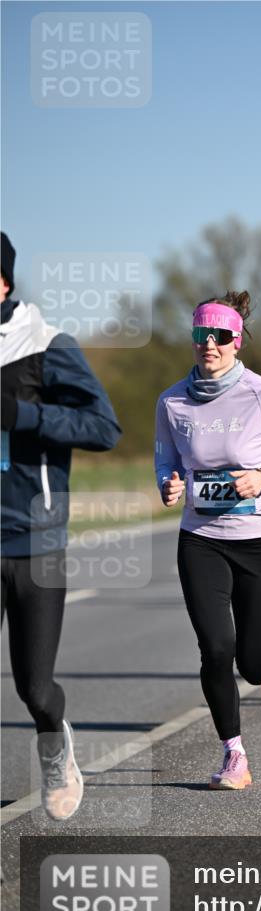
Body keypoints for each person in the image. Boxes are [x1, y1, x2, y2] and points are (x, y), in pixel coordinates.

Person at [155, 292, 261, 790]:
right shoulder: (171, 401)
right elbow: (166, 461)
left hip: (259, 538)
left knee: (251, 665)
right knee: (215, 648)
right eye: (201, 334)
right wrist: (168, 484)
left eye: (220, 335)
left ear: (236, 341)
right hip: (200, 539)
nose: (210, 344)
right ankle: (234, 754)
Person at [0, 232, 122, 821]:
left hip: (35, 539)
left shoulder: (46, 344)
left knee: (35, 688)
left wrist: (23, 415)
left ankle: (55, 745)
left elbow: (103, 427)